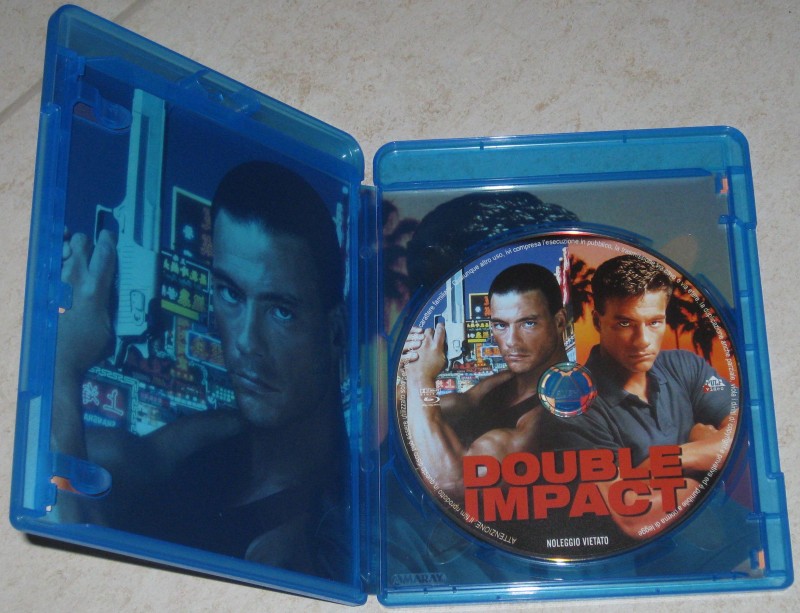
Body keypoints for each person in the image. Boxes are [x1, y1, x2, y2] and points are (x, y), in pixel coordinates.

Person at [53, 160, 350, 578]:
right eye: (230, 293)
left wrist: (62, 366)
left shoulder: (301, 540)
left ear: (334, 332)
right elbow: (122, 456)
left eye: (282, 311)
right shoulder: (227, 434)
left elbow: (72, 565)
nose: (246, 341)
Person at [549, 254, 736, 540]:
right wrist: (707, 451)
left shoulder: (686, 366)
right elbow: (633, 517)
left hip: (724, 532)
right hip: (646, 555)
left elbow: (747, 433)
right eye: (625, 324)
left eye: (654, 322)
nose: (642, 341)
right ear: (598, 322)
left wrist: (666, 462)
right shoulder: (575, 404)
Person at [400, 262, 567, 497]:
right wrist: (407, 370)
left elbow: (451, 482)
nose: (511, 341)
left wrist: (420, 378)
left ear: (559, 322)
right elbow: (455, 404)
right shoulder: (507, 381)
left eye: (528, 323)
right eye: (500, 325)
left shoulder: (553, 413)